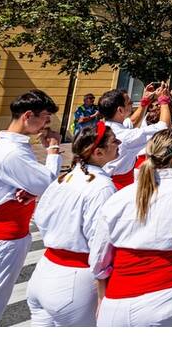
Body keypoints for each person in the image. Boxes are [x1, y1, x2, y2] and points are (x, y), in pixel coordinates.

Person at [0, 91, 63, 326]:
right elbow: (49, 185)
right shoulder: (11, 153)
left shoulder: (5, 146)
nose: (47, 123)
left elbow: (32, 183)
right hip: (2, 241)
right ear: (28, 115)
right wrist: (53, 150)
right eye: (45, 117)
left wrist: (29, 188)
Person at [91, 128, 172, 326]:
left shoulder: (119, 197)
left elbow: (99, 258)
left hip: (117, 298)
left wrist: (102, 298)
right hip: (168, 294)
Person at [26, 121, 117, 326]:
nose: (119, 144)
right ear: (98, 153)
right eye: (114, 141)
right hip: (75, 280)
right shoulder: (102, 187)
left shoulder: (63, 178)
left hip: (44, 270)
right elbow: (101, 242)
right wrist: (105, 286)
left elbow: (39, 217)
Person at [100, 84, 172, 189]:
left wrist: (145, 102)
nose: (132, 103)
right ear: (120, 110)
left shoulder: (105, 127)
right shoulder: (125, 136)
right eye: (129, 103)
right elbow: (164, 127)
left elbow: (132, 122)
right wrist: (164, 100)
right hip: (117, 186)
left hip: (109, 180)